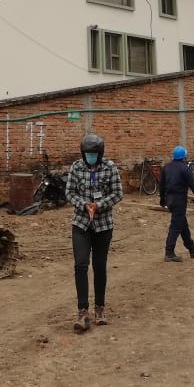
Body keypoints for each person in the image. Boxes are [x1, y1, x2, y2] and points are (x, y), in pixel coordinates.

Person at [65, 132, 123, 332]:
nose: (90, 156)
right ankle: (82, 313)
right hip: (81, 224)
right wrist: (84, 205)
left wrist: (98, 205)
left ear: (100, 153)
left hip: (103, 225)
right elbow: (69, 192)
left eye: (94, 153)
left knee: (99, 266)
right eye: (87, 153)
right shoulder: (75, 167)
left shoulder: (110, 168)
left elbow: (117, 193)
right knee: (81, 265)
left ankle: (99, 309)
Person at [159, 145, 194, 261]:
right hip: (179, 201)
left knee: (182, 224)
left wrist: (162, 199)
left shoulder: (166, 167)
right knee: (175, 226)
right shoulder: (184, 168)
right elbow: (193, 185)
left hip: (169, 200)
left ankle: (191, 247)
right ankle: (169, 252)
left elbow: (161, 185)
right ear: (183, 157)